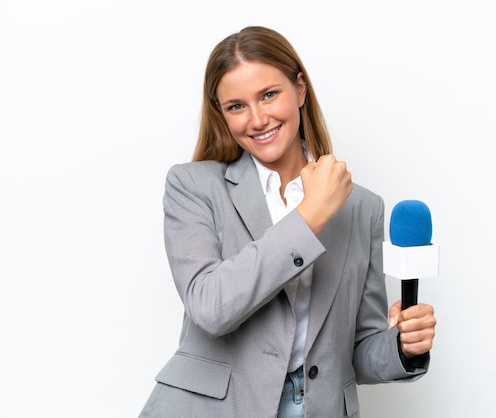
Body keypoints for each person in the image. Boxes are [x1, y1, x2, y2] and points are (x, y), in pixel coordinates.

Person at [138, 25, 436, 418]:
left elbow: (357, 351)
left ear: (299, 89)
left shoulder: (363, 207)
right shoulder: (193, 186)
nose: (257, 119)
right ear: (222, 114)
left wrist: (402, 345)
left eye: (268, 95)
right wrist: (311, 214)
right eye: (236, 106)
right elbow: (210, 307)